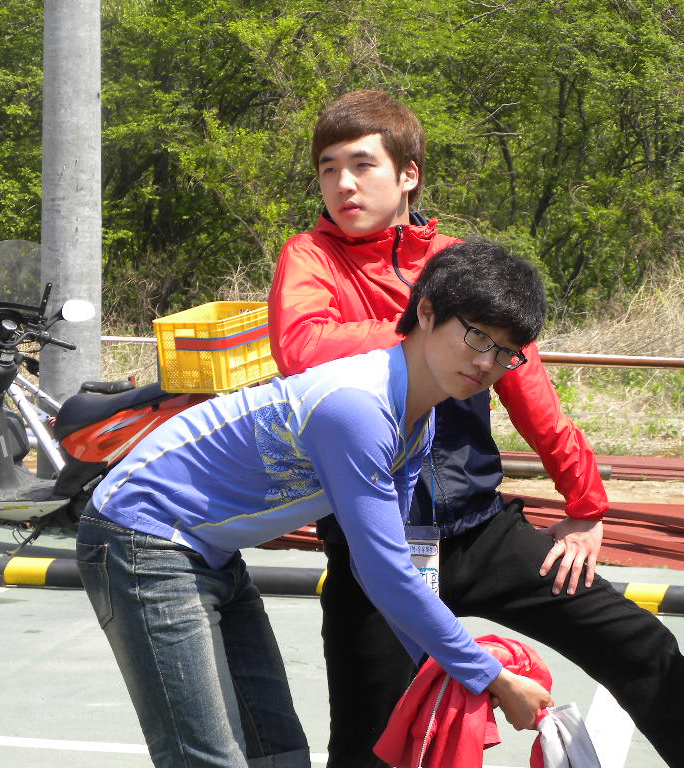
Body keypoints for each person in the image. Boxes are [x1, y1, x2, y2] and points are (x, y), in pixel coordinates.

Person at [268, 89, 684, 768]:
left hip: (481, 532)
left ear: (408, 173)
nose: (343, 185)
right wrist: (427, 330)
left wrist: (586, 506)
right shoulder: (311, 256)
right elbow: (301, 347)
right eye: (328, 169)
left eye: (362, 165)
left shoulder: (461, 264)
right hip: (375, 545)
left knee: (641, 646)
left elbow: (530, 392)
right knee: (368, 748)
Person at [75, 243, 555, 768]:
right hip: (142, 537)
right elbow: (386, 573)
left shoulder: (417, 420)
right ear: (426, 312)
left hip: (211, 551)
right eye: (477, 335)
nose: (486, 362)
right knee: (208, 760)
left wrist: (453, 672)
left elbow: (391, 568)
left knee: (279, 754)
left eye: (506, 351)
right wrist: (487, 674)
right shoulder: (359, 407)